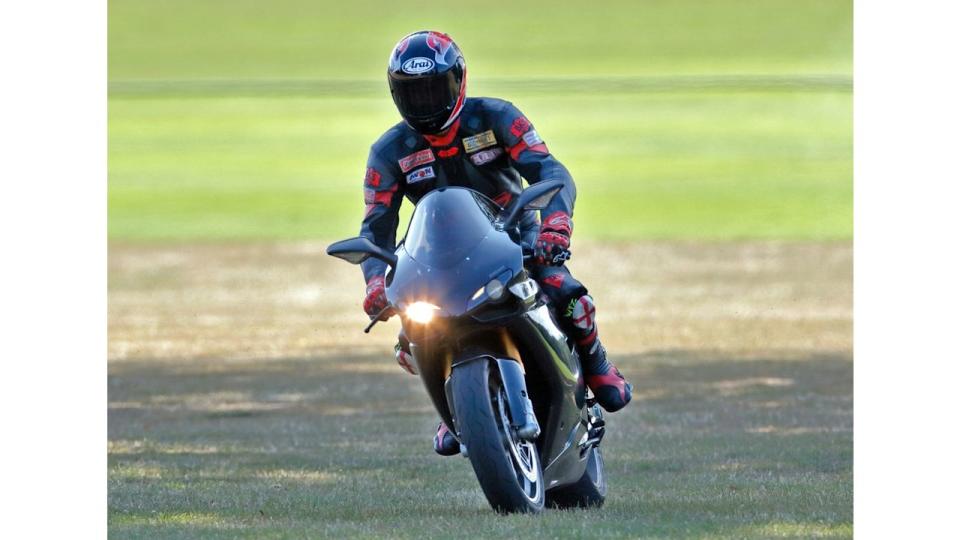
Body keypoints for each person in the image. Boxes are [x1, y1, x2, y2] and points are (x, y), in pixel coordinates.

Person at [357, 30, 632, 456]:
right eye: (414, 94)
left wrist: (555, 225)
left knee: (567, 295)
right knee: (413, 333)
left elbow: (550, 173)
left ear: (460, 81)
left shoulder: (497, 117)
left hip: (514, 237)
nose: (426, 102)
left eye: (435, 89)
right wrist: (375, 282)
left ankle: (597, 367)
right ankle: (458, 408)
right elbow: (375, 229)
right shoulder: (389, 152)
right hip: (437, 258)